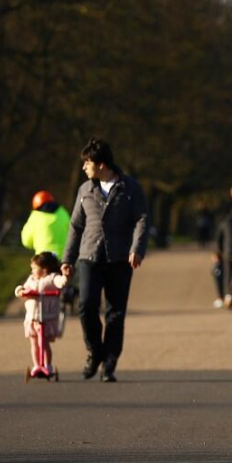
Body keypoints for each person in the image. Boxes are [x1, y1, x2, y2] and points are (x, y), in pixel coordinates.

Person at [61, 138, 149, 383]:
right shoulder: (84, 190)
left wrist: (137, 248)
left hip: (120, 258)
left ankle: (109, 362)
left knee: (115, 313)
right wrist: (67, 259)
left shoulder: (130, 188)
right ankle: (95, 351)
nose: (83, 168)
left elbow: (142, 219)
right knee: (86, 305)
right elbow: (76, 226)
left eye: (86, 163)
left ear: (100, 164)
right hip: (89, 256)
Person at [15, 252, 69, 376]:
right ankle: (37, 365)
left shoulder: (51, 279)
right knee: (34, 343)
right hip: (32, 318)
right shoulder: (31, 280)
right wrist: (20, 291)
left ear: (44, 270)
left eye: (35, 268)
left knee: (44, 343)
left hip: (46, 318)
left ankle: (48, 365)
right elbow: (22, 288)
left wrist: (65, 277)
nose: (32, 271)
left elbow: (61, 283)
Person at [21, 191, 71, 259]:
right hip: (63, 258)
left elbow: (26, 241)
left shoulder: (35, 217)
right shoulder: (63, 213)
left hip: (43, 259)